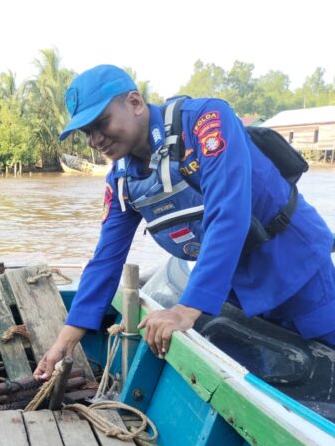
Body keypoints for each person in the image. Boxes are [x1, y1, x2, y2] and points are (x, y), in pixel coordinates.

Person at [34, 65, 335, 380]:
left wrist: (186, 308)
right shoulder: (122, 180)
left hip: (295, 265)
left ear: (135, 103)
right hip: (234, 286)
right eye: (87, 132)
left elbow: (229, 214)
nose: (95, 140)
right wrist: (65, 342)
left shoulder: (205, 122)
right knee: (275, 373)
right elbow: (106, 259)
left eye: (101, 123)